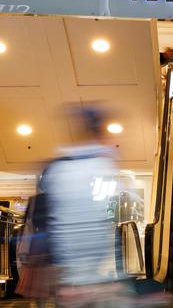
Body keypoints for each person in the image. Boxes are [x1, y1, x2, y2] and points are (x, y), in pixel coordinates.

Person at [45, 105, 122, 306]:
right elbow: (107, 209)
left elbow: (53, 213)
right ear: (98, 132)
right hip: (91, 249)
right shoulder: (103, 165)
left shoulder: (58, 168)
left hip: (67, 253)